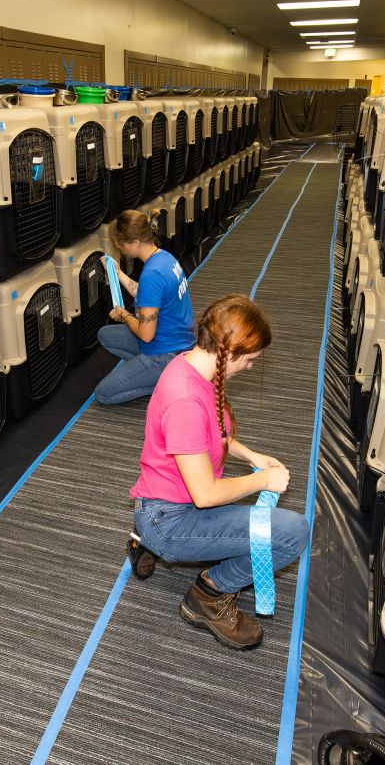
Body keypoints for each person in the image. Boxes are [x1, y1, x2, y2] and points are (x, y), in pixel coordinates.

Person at [125, 294, 310, 650]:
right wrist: (263, 480)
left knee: (256, 524)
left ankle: (146, 539)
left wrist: (250, 455)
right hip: (173, 516)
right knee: (292, 534)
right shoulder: (185, 398)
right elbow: (206, 494)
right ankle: (208, 595)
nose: (253, 367)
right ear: (231, 351)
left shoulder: (190, 366)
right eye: (252, 360)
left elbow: (208, 433)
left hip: (168, 500)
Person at [95, 210, 195, 405]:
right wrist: (118, 273)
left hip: (165, 352)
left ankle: (168, 380)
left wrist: (124, 315)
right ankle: (156, 371)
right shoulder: (164, 258)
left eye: (120, 244)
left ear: (134, 243)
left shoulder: (152, 274)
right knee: (105, 334)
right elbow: (146, 293)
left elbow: (146, 334)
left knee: (103, 394)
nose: (119, 248)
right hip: (180, 342)